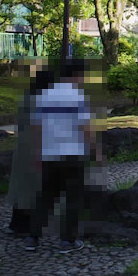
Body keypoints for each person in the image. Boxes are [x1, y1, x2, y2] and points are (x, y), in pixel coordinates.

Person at [27, 58, 98, 252]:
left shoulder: (46, 95)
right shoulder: (77, 96)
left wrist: (37, 152)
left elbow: (36, 127)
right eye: (83, 76)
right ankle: (67, 240)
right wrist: (94, 149)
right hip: (72, 153)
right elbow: (85, 127)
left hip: (49, 153)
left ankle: (33, 237)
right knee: (73, 198)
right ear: (77, 75)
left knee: (45, 196)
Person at [6, 66, 53, 236]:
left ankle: (17, 224)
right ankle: (29, 227)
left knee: (22, 187)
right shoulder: (42, 101)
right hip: (36, 149)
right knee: (33, 188)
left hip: (23, 149)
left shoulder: (27, 98)